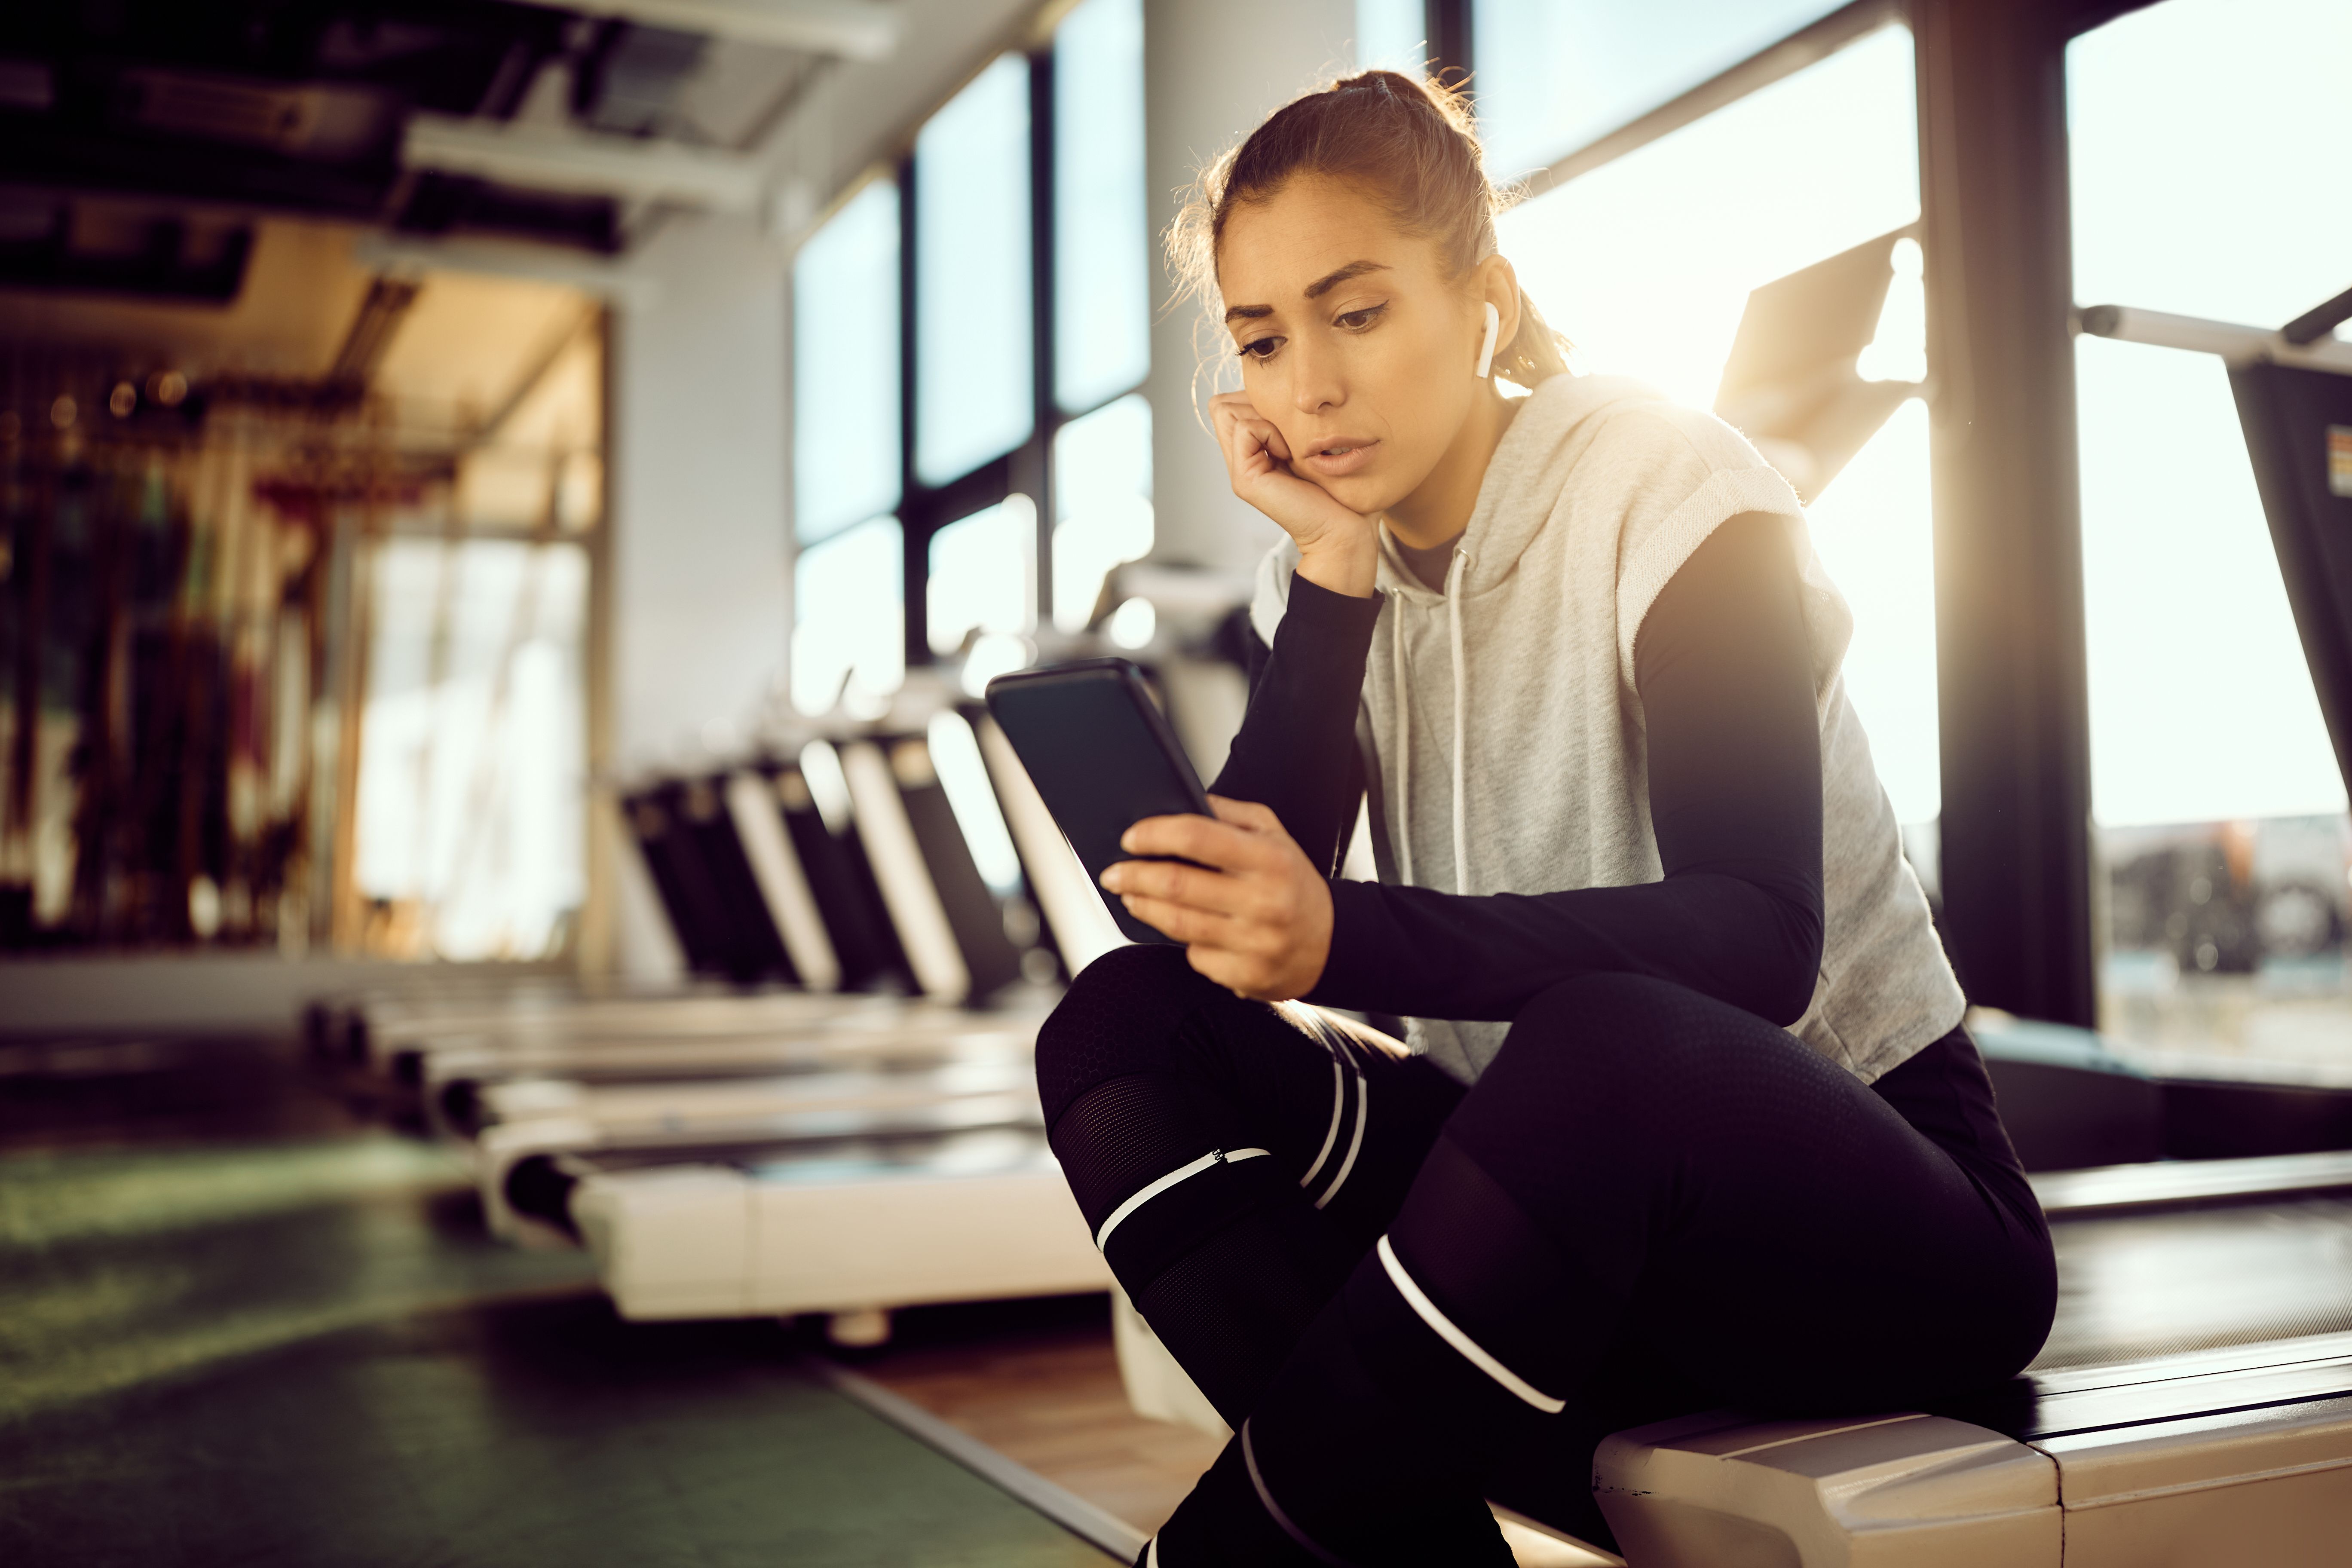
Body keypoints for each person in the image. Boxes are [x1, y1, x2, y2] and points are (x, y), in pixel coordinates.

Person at [1035, 70, 2055, 1566]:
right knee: (1120, 1025)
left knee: (1608, 1037)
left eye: (1357, 311)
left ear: (1485, 301)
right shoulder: (1323, 574)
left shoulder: (1668, 475)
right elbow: (1246, 940)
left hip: (1875, 1237)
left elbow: (1760, 941)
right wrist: (1328, 570)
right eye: (1264, 338)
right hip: (1549, 1232)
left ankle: (1227, 1555)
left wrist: (1344, 938)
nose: (1307, 386)